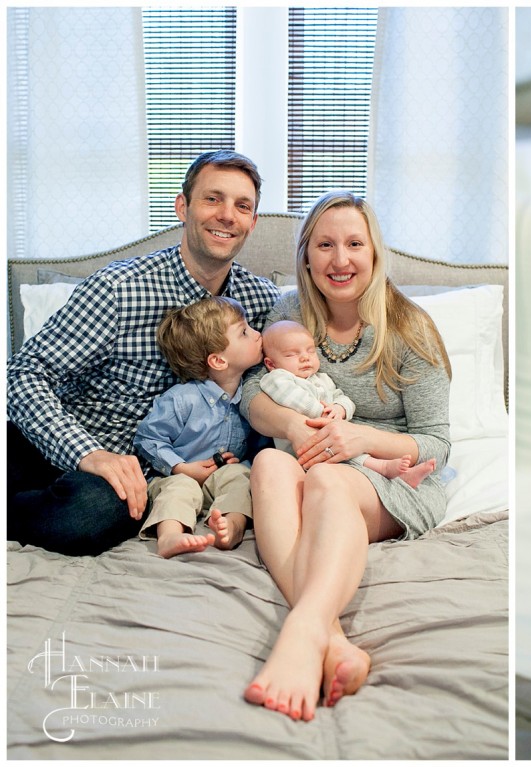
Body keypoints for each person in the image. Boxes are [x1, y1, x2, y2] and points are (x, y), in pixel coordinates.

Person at [237, 191, 452, 722]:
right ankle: (334, 641)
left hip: (387, 474)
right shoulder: (289, 313)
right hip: (309, 454)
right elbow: (251, 395)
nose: (340, 260)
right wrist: (290, 424)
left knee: (330, 484)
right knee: (267, 463)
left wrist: (360, 438)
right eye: (325, 245)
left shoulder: (410, 327)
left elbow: (436, 443)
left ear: (374, 253)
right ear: (306, 255)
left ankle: (302, 632)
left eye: (355, 244)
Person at [7, 150, 280, 556]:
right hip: (64, 440)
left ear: (253, 222)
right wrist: (87, 453)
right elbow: (23, 374)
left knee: (97, 512)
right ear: (182, 206)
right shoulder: (120, 288)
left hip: (139, 477)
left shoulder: (260, 303)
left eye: (242, 206)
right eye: (212, 199)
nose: (227, 215)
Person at [133, 297, 264, 558]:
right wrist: (181, 467)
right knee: (181, 487)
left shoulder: (252, 395)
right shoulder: (182, 399)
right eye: (244, 332)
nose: (258, 334)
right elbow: (147, 438)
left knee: (241, 477)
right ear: (218, 361)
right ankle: (170, 536)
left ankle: (231, 528)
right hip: (178, 476)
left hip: (220, 480)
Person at [259, 319, 436, 488]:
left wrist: (340, 408)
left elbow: (342, 397)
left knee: (347, 447)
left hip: (333, 436)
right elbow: (293, 399)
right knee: (342, 450)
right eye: (292, 354)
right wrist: (323, 413)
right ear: (271, 363)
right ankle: (382, 468)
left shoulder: (321, 378)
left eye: (310, 351)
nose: (305, 358)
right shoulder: (276, 378)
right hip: (304, 449)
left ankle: (396, 475)